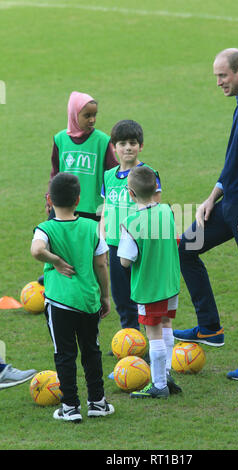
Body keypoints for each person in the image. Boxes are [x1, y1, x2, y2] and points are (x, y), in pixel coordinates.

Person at [173, 48, 238, 381]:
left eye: (223, 76)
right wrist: (211, 198)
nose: (219, 82)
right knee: (187, 248)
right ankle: (209, 327)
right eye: (217, 76)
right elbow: (235, 160)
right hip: (228, 204)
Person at [31, 172, 114, 422]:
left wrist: (54, 260)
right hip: (88, 301)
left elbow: (36, 251)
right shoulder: (92, 227)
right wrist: (106, 297)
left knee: (64, 354)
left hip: (59, 302)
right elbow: (101, 265)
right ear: (78, 200)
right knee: (92, 351)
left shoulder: (45, 228)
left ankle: (70, 408)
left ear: (49, 199)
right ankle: (97, 403)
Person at [117, 165, 181, 398]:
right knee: (166, 326)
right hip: (171, 283)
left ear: (130, 193)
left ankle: (159, 385)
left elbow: (125, 261)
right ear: (156, 189)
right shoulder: (168, 210)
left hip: (149, 288)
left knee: (153, 332)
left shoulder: (130, 222)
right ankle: (166, 373)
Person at [101, 120, 161, 331]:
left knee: (142, 296)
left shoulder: (147, 174)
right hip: (116, 245)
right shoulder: (108, 176)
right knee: (121, 297)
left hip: (140, 247)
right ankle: (129, 339)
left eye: (133, 143)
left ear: (141, 146)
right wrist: (103, 241)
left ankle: (149, 340)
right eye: (123, 143)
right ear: (114, 147)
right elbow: (106, 210)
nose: (128, 147)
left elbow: (156, 210)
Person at [46, 91, 118, 221]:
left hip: (93, 208)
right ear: (74, 115)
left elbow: (114, 173)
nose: (92, 120)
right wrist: (49, 196)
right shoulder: (60, 139)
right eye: (87, 116)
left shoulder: (102, 141)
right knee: (51, 237)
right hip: (63, 205)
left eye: (95, 115)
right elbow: (55, 172)